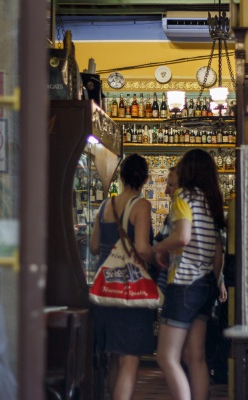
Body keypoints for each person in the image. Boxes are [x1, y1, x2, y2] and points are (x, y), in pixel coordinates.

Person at [153, 149, 226, 400]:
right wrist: (218, 282)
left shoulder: (183, 196)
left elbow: (182, 237)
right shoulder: (210, 201)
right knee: (196, 358)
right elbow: (217, 253)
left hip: (184, 283)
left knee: (166, 356)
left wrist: (158, 247)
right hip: (205, 284)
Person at [90, 153, 156, 400]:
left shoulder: (105, 205)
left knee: (115, 357)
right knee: (129, 358)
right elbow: (141, 248)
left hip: (105, 289)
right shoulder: (141, 206)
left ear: (121, 176)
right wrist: (157, 255)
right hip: (130, 289)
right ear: (145, 179)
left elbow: (95, 247)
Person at [153, 166, 178, 294]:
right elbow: (157, 242)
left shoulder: (181, 216)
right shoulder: (171, 217)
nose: (166, 191)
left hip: (179, 289)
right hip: (170, 286)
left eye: (170, 185)